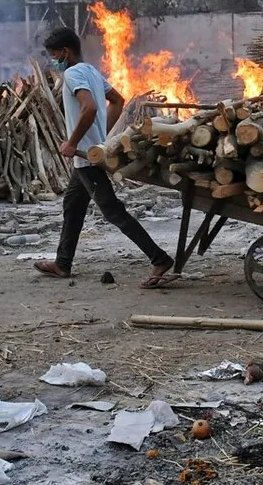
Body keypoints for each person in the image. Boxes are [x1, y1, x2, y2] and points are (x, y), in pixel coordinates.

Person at [33, 26, 178, 289]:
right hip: (88, 155)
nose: (54, 61)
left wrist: (73, 142)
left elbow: (90, 107)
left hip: (86, 157)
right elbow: (118, 100)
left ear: (65, 52)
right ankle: (63, 263)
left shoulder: (73, 73)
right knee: (72, 207)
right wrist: (103, 137)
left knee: (113, 211)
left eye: (55, 55)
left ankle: (159, 258)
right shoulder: (90, 71)